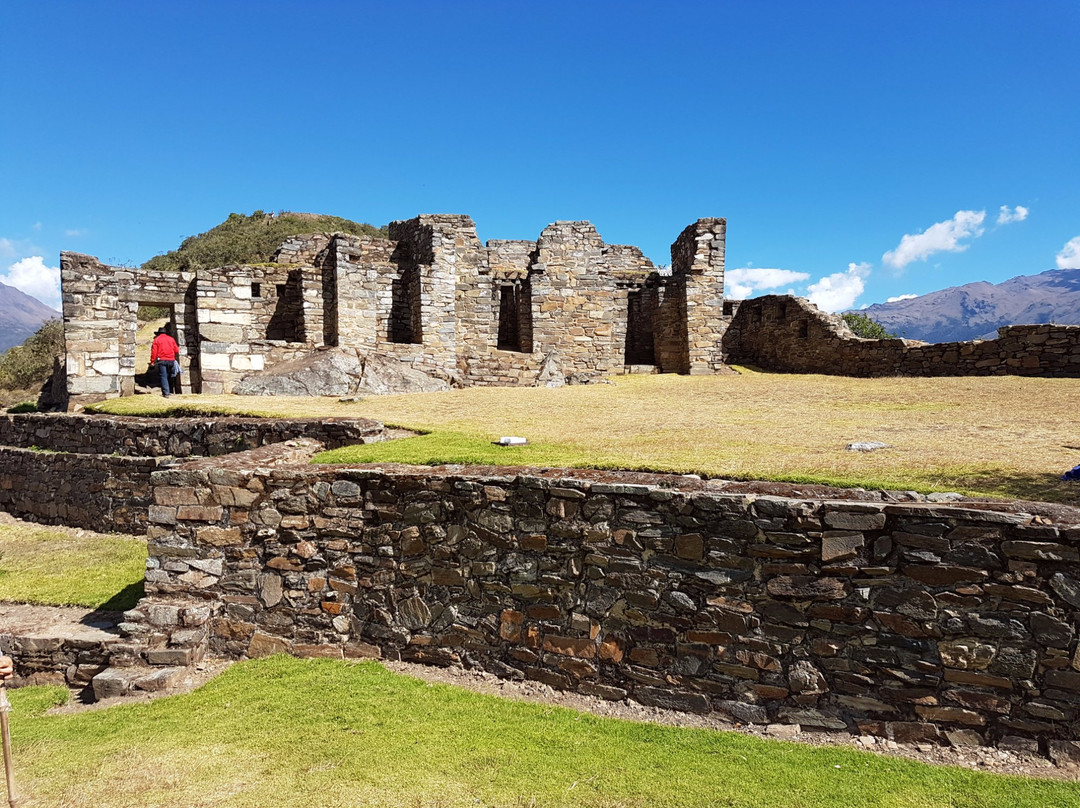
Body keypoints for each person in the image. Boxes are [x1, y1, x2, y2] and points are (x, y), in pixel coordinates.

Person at [150, 327, 180, 397]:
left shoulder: (156, 340)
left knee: (164, 376)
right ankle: (171, 390)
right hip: (171, 360)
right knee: (170, 376)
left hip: (162, 360)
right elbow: (176, 350)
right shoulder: (171, 339)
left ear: (158, 333)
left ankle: (166, 393)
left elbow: (154, 352)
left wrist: (152, 362)